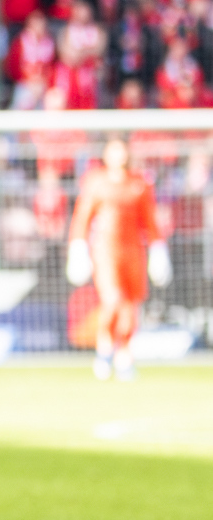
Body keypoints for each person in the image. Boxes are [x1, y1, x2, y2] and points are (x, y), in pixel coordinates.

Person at [67, 138, 169, 381]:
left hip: (133, 251)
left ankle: (124, 355)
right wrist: (78, 248)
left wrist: (158, 251)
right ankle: (104, 349)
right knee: (112, 300)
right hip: (106, 251)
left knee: (130, 306)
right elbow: (82, 218)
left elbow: (150, 221)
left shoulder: (139, 184)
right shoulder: (96, 182)